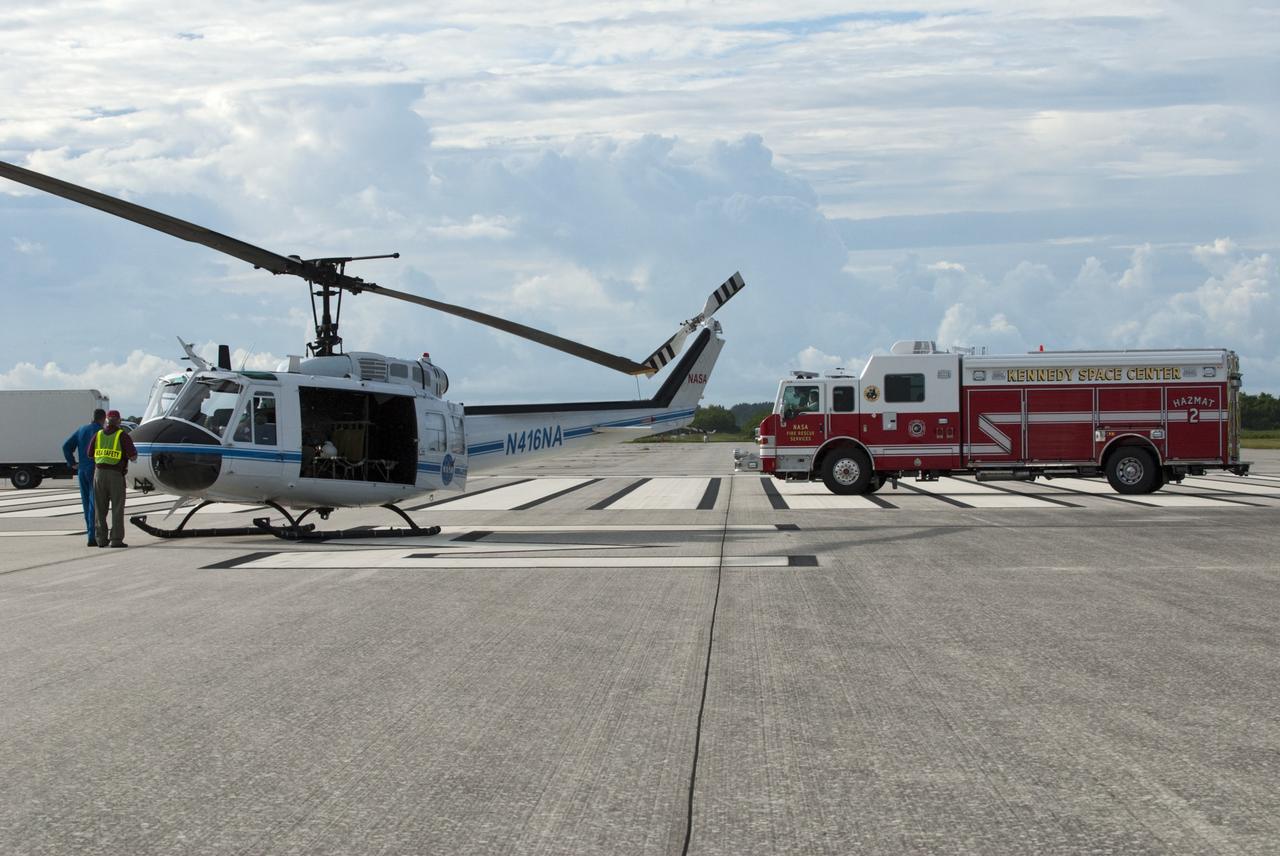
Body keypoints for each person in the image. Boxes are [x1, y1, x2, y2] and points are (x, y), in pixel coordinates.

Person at [89, 410, 139, 548]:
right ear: (119, 421)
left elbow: (89, 453)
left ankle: (101, 539)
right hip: (115, 475)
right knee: (117, 508)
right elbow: (133, 457)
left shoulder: (98, 435)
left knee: (100, 509)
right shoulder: (122, 435)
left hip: (98, 474)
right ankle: (116, 540)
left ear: (106, 420)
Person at [62, 407, 106, 547]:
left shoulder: (81, 430)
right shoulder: (101, 432)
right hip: (95, 469)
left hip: (82, 470)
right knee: (95, 503)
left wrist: (72, 463)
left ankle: (89, 533)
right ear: (103, 419)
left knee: (86, 504)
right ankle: (93, 536)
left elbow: (66, 446)